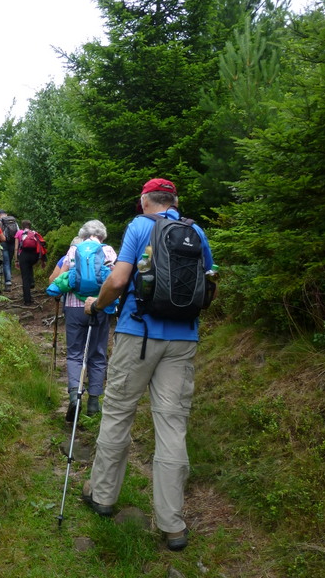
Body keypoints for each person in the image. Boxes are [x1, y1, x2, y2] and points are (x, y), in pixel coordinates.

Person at [81, 178, 216, 553]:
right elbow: (208, 282)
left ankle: (102, 496)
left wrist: (96, 305)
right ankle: (172, 524)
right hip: (183, 339)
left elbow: (118, 280)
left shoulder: (140, 227)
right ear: (175, 200)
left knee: (118, 412)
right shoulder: (196, 232)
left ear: (144, 200)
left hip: (137, 335)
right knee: (172, 424)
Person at [59, 221, 116, 420]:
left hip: (74, 307)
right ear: (102, 235)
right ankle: (93, 402)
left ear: (83, 234)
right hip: (99, 306)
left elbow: (62, 277)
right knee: (97, 353)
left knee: (75, 353)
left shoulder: (74, 249)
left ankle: (74, 397)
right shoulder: (108, 251)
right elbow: (114, 281)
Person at [14, 220, 46, 306]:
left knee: (25, 278)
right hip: (34, 256)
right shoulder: (34, 233)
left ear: (22, 226)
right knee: (30, 267)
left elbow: (16, 248)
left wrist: (16, 260)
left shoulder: (19, 233)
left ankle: (27, 301)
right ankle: (31, 282)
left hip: (24, 255)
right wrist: (43, 261)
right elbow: (41, 246)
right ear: (30, 226)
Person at [0, 209, 19, 291]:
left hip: (3, 243)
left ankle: (8, 282)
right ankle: (8, 279)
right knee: (9, 261)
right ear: (6, 214)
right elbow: (18, 232)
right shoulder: (13, 220)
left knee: (5, 262)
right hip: (12, 243)